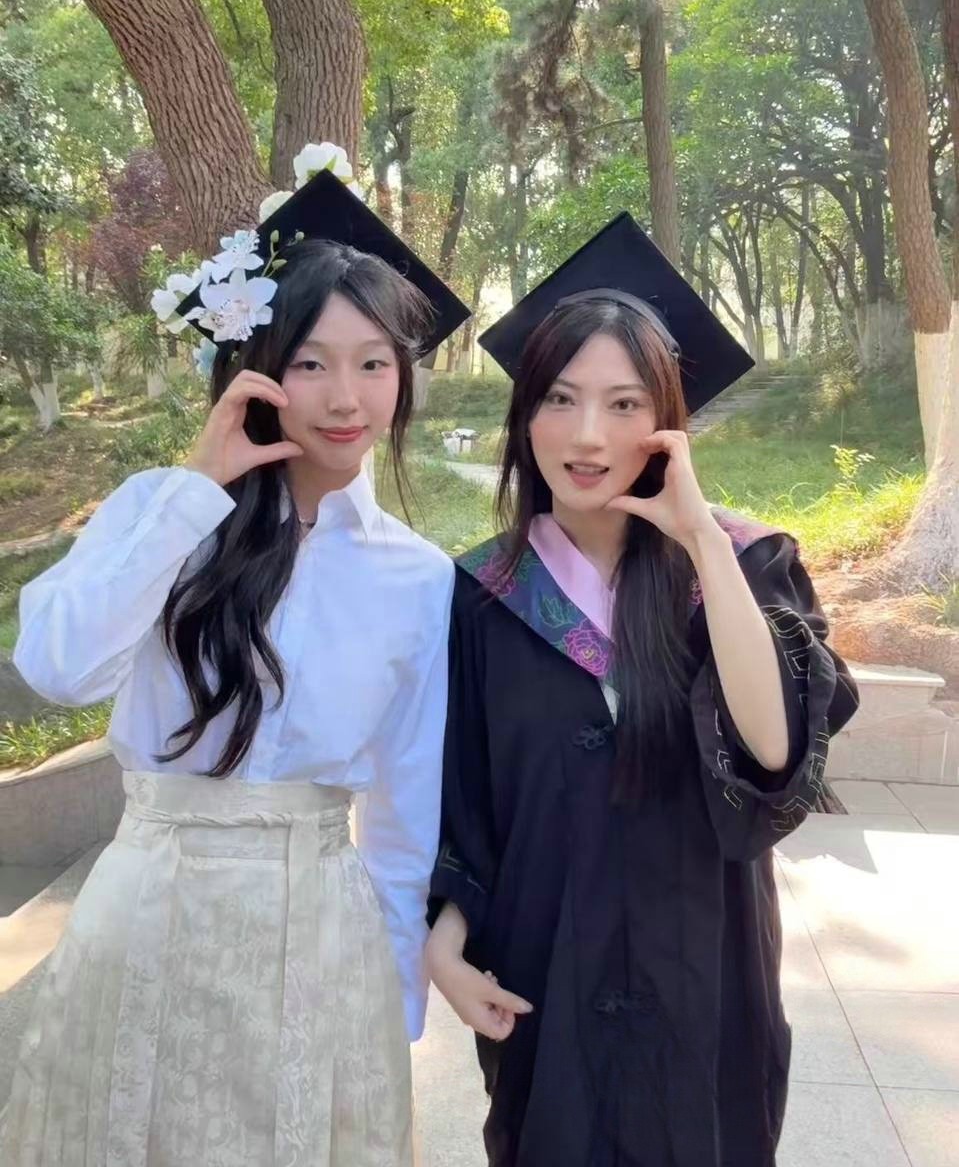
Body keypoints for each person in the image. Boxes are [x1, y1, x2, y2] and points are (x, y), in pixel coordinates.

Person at [1, 152, 472, 1167]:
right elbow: (59, 667)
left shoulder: (416, 575)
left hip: (323, 930)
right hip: (151, 910)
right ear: (256, 368)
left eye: (373, 363)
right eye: (309, 363)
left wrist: (394, 995)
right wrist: (194, 492)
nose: (344, 396)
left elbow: (405, 806)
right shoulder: (157, 512)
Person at [425, 214, 860, 1167]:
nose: (587, 436)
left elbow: (775, 751)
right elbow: (465, 802)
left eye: (624, 404)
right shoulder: (481, 595)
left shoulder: (745, 564)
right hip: (545, 967)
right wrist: (443, 942)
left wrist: (700, 537)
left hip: (706, 966)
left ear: (667, 423)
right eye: (559, 398)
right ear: (523, 416)